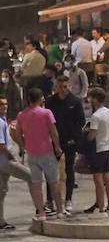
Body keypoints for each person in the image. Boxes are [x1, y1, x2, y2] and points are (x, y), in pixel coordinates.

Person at [12, 88, 63, 221]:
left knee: (36, 184)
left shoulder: (21, 115)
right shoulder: (47, 113)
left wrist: (23, 145)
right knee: (53, 182)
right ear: (41, 99)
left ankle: (41, 213)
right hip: (46, 152)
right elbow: (54, 132)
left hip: (32, 154)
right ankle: (59, 210)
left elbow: (17, 133)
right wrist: (57, 147)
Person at [46, 74, 84, 211]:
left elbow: (81, 122)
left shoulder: (75, 102)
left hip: (70, 142)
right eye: (60, 87)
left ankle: (68, 199)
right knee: (50, 171)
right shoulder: (50, 102)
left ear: (69, 86)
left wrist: (75, 139)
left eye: (65, 87)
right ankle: (49, 200)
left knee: (69, 171)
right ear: (56, 87)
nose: (63, 90)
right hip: (54, 141)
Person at [0, 93, 30, 230]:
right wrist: (11, 156)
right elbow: (1, 145)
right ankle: (40, 209)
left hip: (4, 161)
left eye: (6, 104)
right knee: (32, 177)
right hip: (5, 161)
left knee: (2, 191)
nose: (5, 106)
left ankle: (1, 221)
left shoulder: (4, 120)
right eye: (2, 104)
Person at [84, 88, 109, 214]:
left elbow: (92, 135)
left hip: (98, 148)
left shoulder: (96, 116)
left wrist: (86, 135)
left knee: (98, 178)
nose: (89, 100)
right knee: (107, 177)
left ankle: (101, 205)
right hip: (108, 147)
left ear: (95, 99)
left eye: (91, 98)